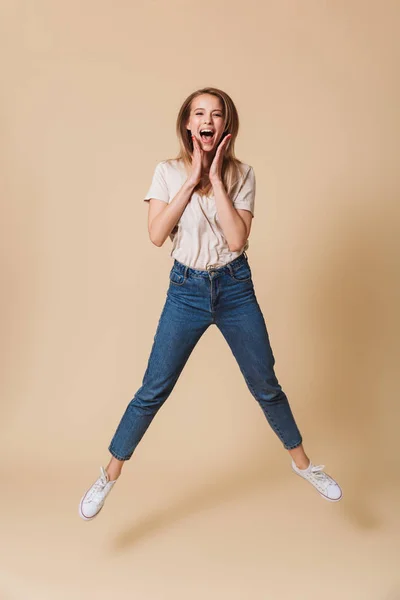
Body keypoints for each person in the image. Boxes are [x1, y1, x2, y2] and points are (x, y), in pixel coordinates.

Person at [78, 87, 342, 521]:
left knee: (266, 385)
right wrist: (192, 178)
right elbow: (157, 233)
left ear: (226, 126)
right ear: (188, 123)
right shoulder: (166, 172)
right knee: (153, 389)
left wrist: (216, 179)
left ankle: (305, 466)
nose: (207, 120)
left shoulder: (243, 174)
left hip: (236, 289)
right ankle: (108, 475)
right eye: (199, 113)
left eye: (216, 115)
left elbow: (238, 239)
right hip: (186, 290)